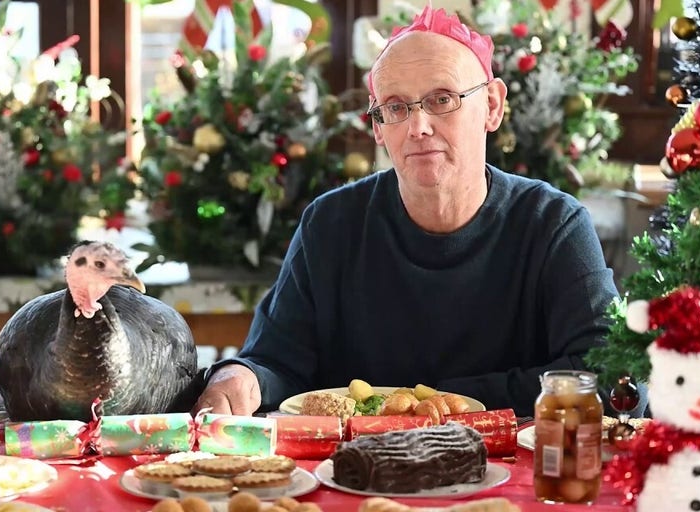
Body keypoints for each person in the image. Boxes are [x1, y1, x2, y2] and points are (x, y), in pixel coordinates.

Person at [192, 5, 620, 418]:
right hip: (355, 474)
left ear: (492, 105)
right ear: (378, 126)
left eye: (442, 99)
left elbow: (610, 377)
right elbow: (274, 361)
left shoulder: (553, 225)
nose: (418, 127)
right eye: (396, 107)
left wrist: (435, 404)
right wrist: (237, 375)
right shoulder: (330, 224)